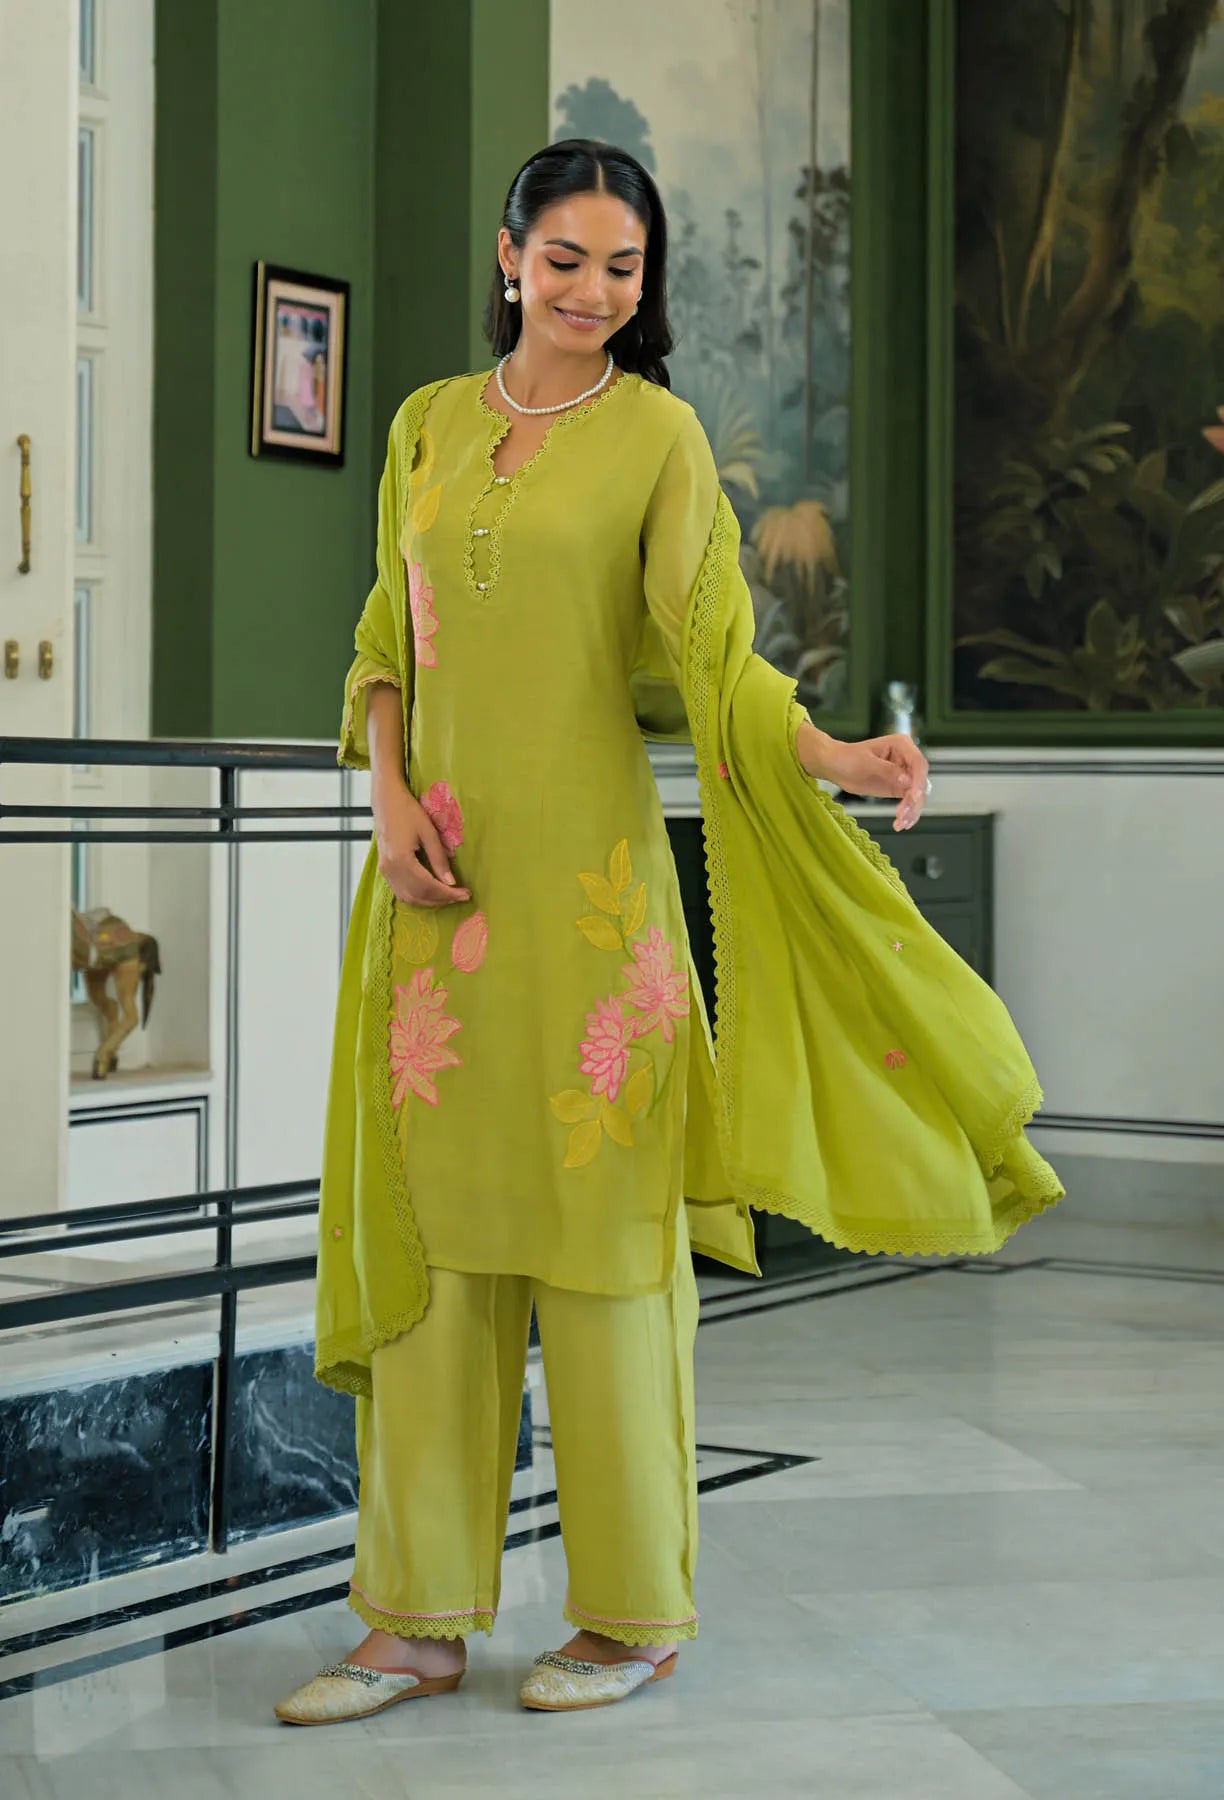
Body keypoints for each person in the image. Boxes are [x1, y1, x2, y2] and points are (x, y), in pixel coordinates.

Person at [274, 139, 1064, 1727]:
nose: (592, 293)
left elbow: (715, 653)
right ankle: (415, 1621)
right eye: (565, 259)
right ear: (509, 257)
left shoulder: (658, 438)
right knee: (435, 1258)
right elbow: (380, 643)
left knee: (607, 1270)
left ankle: (632, 1617)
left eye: (623, 268)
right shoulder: (428, 428)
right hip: (434, 910)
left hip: (590, 913)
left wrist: (835, 756)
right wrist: (384, 795)